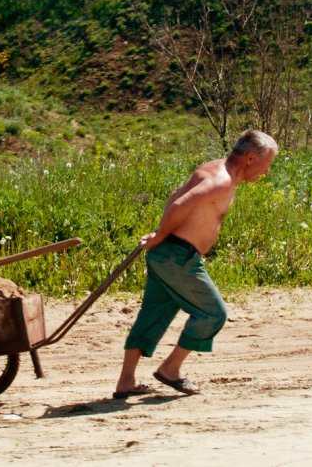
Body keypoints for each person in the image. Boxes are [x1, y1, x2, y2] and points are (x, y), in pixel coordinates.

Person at [113, 129, 278, 399]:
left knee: (152, 315)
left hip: (167, 255)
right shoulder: (222, 181)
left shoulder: (214, 169)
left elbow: (176, 196)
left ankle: (126, 382)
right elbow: (180, 203)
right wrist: (160, 235)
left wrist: (160, 237)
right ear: (250, 157)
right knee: (213, 313)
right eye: (267, 164)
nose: (266, 171)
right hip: (177, 256)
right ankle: (170, 369)